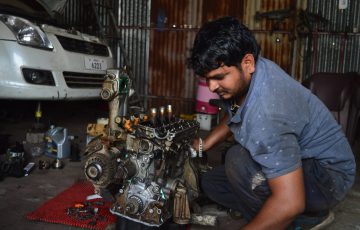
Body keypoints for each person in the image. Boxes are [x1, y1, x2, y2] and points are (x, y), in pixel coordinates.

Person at [187, 16, 356, 229]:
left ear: (247, 63)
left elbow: (290, 202)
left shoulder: (267, 113)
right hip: (305, 162)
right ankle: (271, 213)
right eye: (207, 78)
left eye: (219, 77)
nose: (211, 87)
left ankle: (304, 221)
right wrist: (202, 145)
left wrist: (283, 210)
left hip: (328, 175)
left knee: (237, 160)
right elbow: (235, 113)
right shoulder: (253, 73)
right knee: (211, 183)